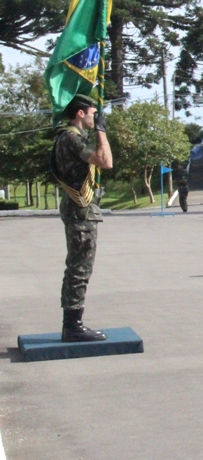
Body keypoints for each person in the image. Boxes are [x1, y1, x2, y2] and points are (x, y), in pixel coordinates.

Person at [52, 94, 114, 342]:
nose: (94, 117)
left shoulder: (70, 136)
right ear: (80, 113)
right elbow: (104, 161)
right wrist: (101, 132)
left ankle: (73, 323)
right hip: (80, 209)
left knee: (78, 267)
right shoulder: (71, 137)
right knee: (80, 268)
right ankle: (73, 326)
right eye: (92, 113)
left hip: (81, 208)